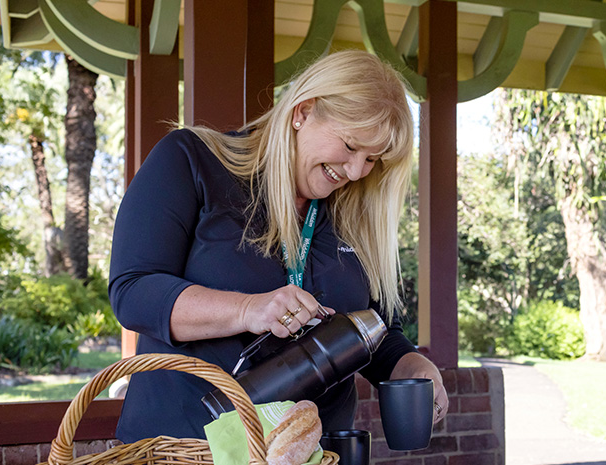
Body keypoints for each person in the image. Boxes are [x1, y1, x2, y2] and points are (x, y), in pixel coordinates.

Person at [109, 50, 448, 442]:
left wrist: (414, 367)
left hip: (311, 451)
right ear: (303, 111)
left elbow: (376, 329)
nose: (356, 172)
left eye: (373, 159)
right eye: (351, 146)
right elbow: (133, 291)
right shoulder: (191, 160)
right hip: (186, 446)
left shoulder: (354, 209)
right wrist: (249, 309)